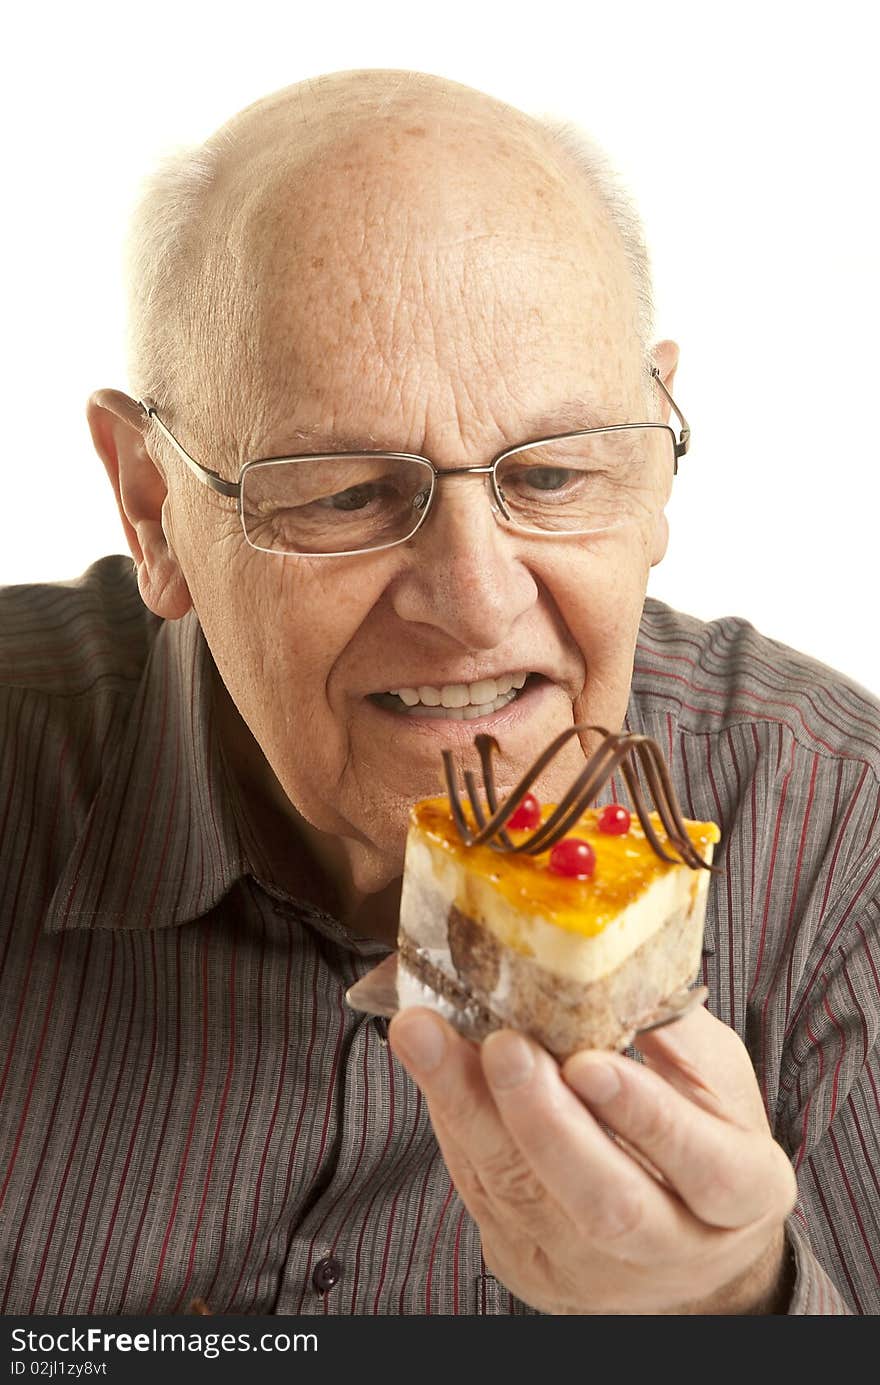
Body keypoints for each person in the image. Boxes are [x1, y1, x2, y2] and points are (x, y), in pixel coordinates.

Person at [0, 68, 877, 1317]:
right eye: (348, 492)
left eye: (558, 473)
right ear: (153, 504)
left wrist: (731, 1305)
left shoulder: (839, 834)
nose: (471, 600)